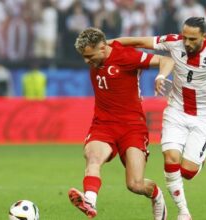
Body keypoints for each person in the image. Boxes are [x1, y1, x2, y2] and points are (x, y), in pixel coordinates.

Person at [109, 17, 206, 220]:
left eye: (192, 39)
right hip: (176, 111)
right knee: (170, 158)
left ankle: (199, 161)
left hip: (203, 117)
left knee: (188, 172)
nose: (187, 42)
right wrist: (107, 44)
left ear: (204, 36)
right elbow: (138, 41)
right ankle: (183, 212)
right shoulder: (173, 41)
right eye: (185, 37)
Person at [68, 27, 175, 220]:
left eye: (89, 56)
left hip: (132, 126)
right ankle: (90, 202)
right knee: (93, 158)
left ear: (102, 48)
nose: (87, 61)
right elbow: (110, 41)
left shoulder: (126, 57)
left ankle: (157, 196)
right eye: (84, 57)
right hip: (103, 124)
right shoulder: (100, 50)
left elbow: (167, 60)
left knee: (135, 184)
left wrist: (160, 76)